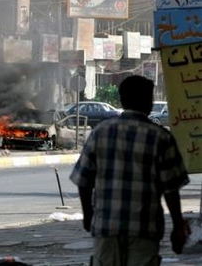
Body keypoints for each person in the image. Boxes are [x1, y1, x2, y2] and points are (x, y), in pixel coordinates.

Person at [69, 75, 190, 266]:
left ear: (122, 100)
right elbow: (171, 189)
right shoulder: (161, 137)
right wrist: (178, 227)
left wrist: (88, 215)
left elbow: (84, 180)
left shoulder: (100, 132)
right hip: (144, 230)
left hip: (106, 228)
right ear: (148, 102)